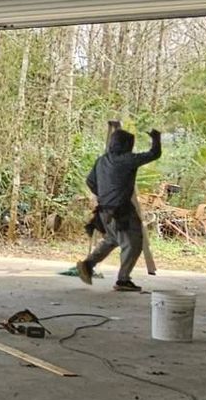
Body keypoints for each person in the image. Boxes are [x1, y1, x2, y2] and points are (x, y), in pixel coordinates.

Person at [64, 123, 162, 291]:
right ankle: (123, 280)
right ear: (126, 145)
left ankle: (88, 265)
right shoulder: (126, 160)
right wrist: (156, 138)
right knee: (134, 243)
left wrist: (104, 194)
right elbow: (154, 154)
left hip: (104, 210)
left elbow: (90, 181)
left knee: (112, 240)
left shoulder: (102, 160)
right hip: (121, 210)